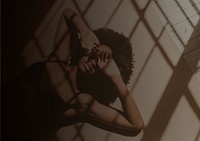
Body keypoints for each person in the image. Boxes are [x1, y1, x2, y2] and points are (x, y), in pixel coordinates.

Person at [2, 8, 144, 141]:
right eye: (96, 53)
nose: (95, 62)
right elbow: (67, 14)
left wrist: (116, 77)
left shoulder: (82, 101)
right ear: (89, 46)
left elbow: (136, 125)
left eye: (102, 63)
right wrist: (85, 32)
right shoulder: (59, 58)